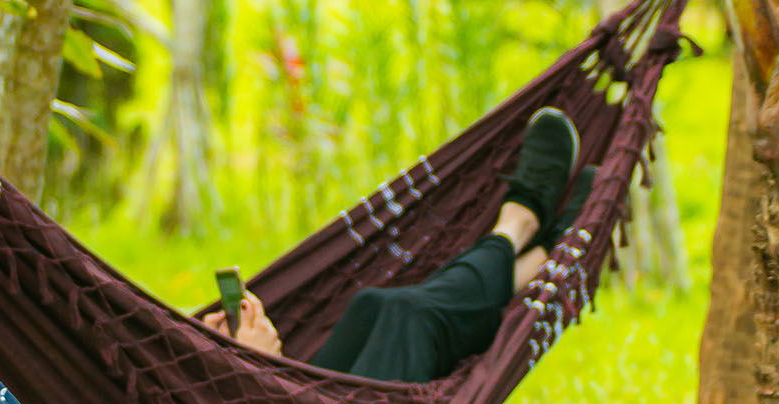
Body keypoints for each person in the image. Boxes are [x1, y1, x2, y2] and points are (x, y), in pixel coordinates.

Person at [198, 106, 593, 386]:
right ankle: (519, 222)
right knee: (411, 316)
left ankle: (534, 260)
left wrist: (223, 361)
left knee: (371, 305)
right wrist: (257, 372)